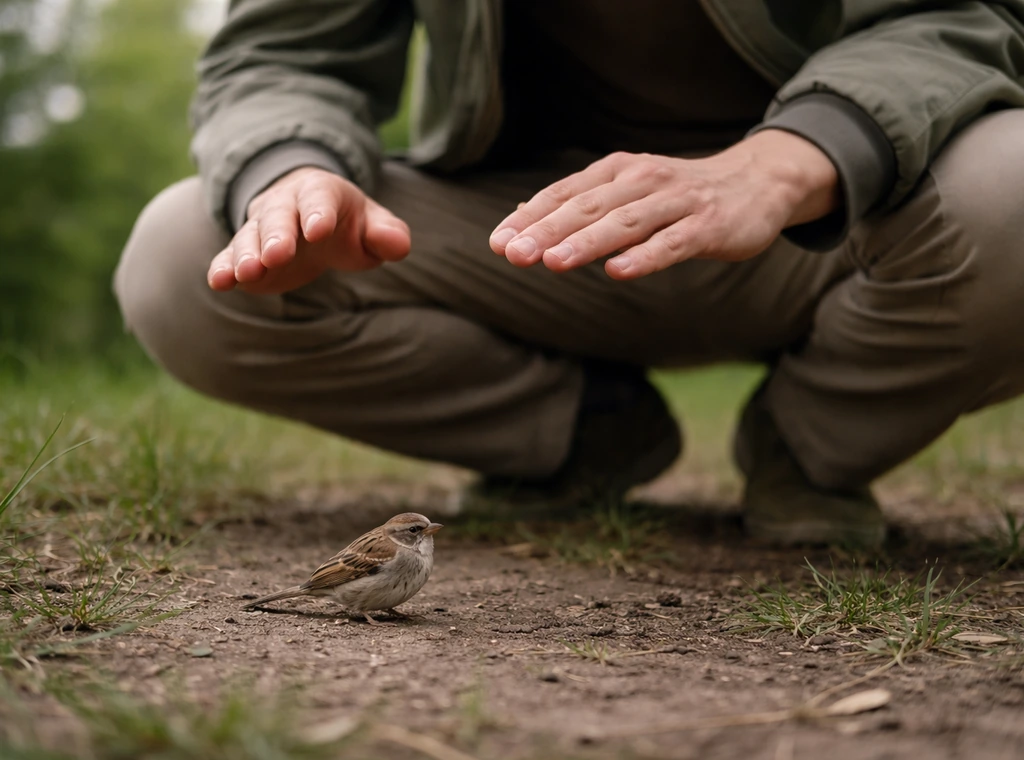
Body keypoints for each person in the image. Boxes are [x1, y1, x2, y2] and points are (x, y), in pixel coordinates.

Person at [114, 1, 1024, 548]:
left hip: (837, 212)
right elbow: (280, 55)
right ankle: (581, 434)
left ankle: (810, 447)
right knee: (182, 253)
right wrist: (294, 169)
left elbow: (970, 18)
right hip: (524, 235)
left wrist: (790, 158)